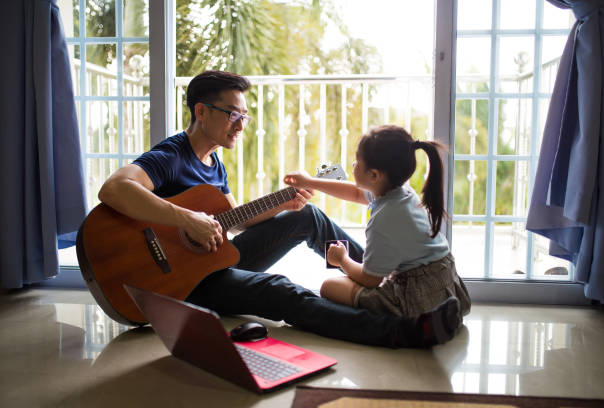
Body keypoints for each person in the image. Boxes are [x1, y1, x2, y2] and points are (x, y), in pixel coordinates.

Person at [98, 70, 461, 348]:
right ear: (201, 112)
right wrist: (186, 218)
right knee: (282, 290)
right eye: (232, 115)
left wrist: (281, 205)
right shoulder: (171, 155)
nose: (241, 125)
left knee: (306, 215)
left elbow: (229, 223)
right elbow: (114, 189)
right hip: (179, 282)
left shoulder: (214, 164)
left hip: (209, 259)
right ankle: (397, 330)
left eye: (244, 116)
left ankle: (378, 280)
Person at [284, 125, 471, 321]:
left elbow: (370, 279)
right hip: (442, 282)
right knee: (346, 281)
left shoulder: (384, 217)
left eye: (357, 162)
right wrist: (310, 182)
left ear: (374, 175)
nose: (353, 165)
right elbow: (355, 193)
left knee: (329, 287)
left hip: (416, 295)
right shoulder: (401, 192)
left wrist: (342, 260)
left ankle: (398, 323)